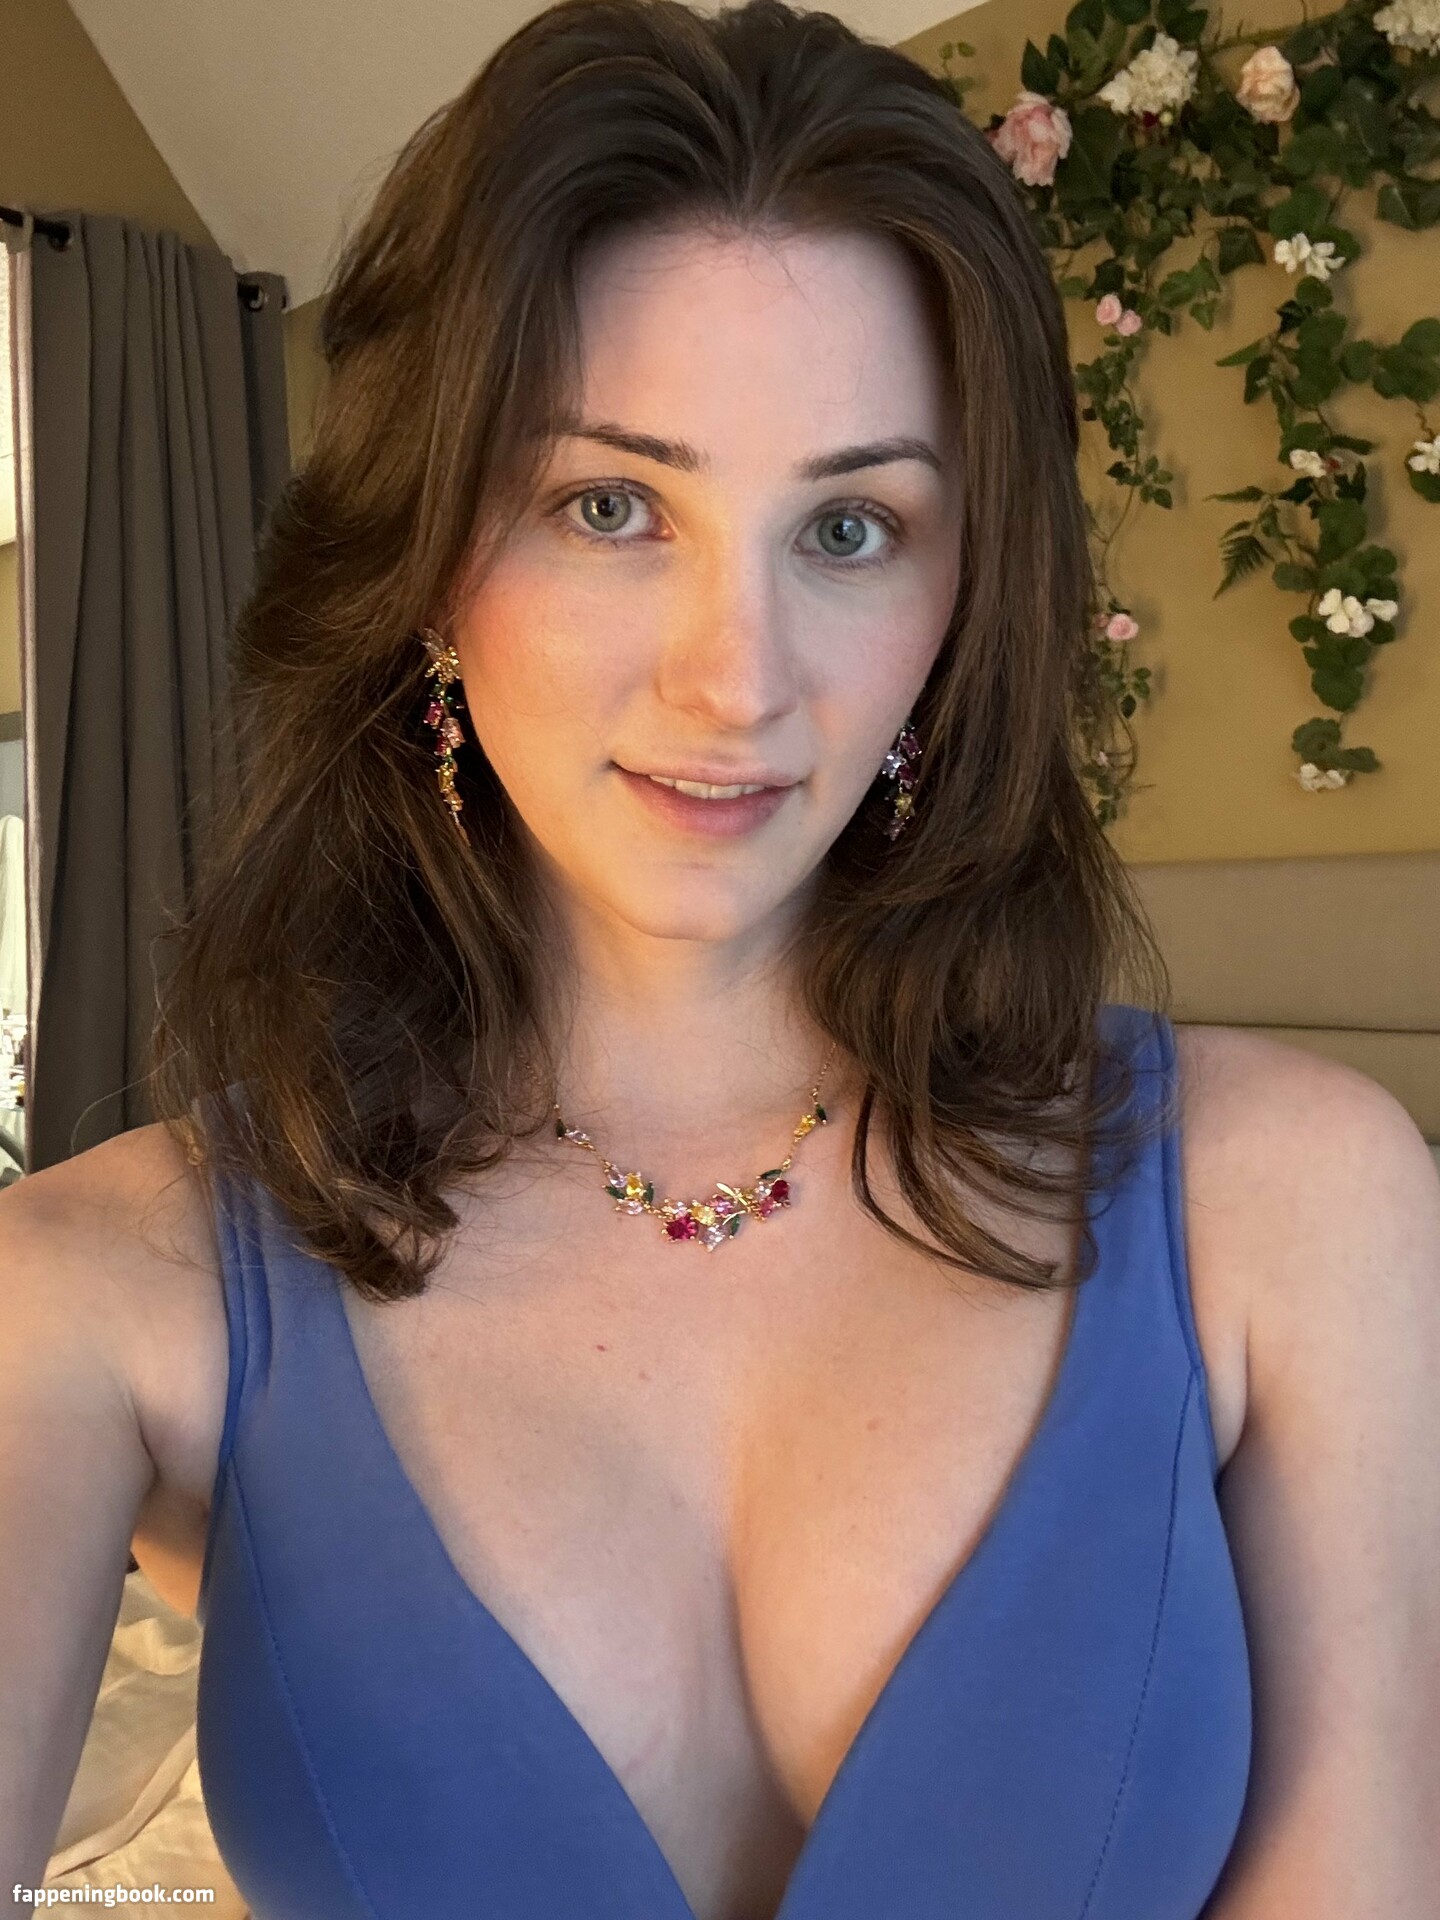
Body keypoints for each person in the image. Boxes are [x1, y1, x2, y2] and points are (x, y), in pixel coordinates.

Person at [3, 1, 1438, 1915]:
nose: (738, 680)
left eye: (849, 525)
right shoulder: (99, 1293)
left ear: (961, 594)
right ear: (425, 567)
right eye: (610, 507)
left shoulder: (1299, 1203)